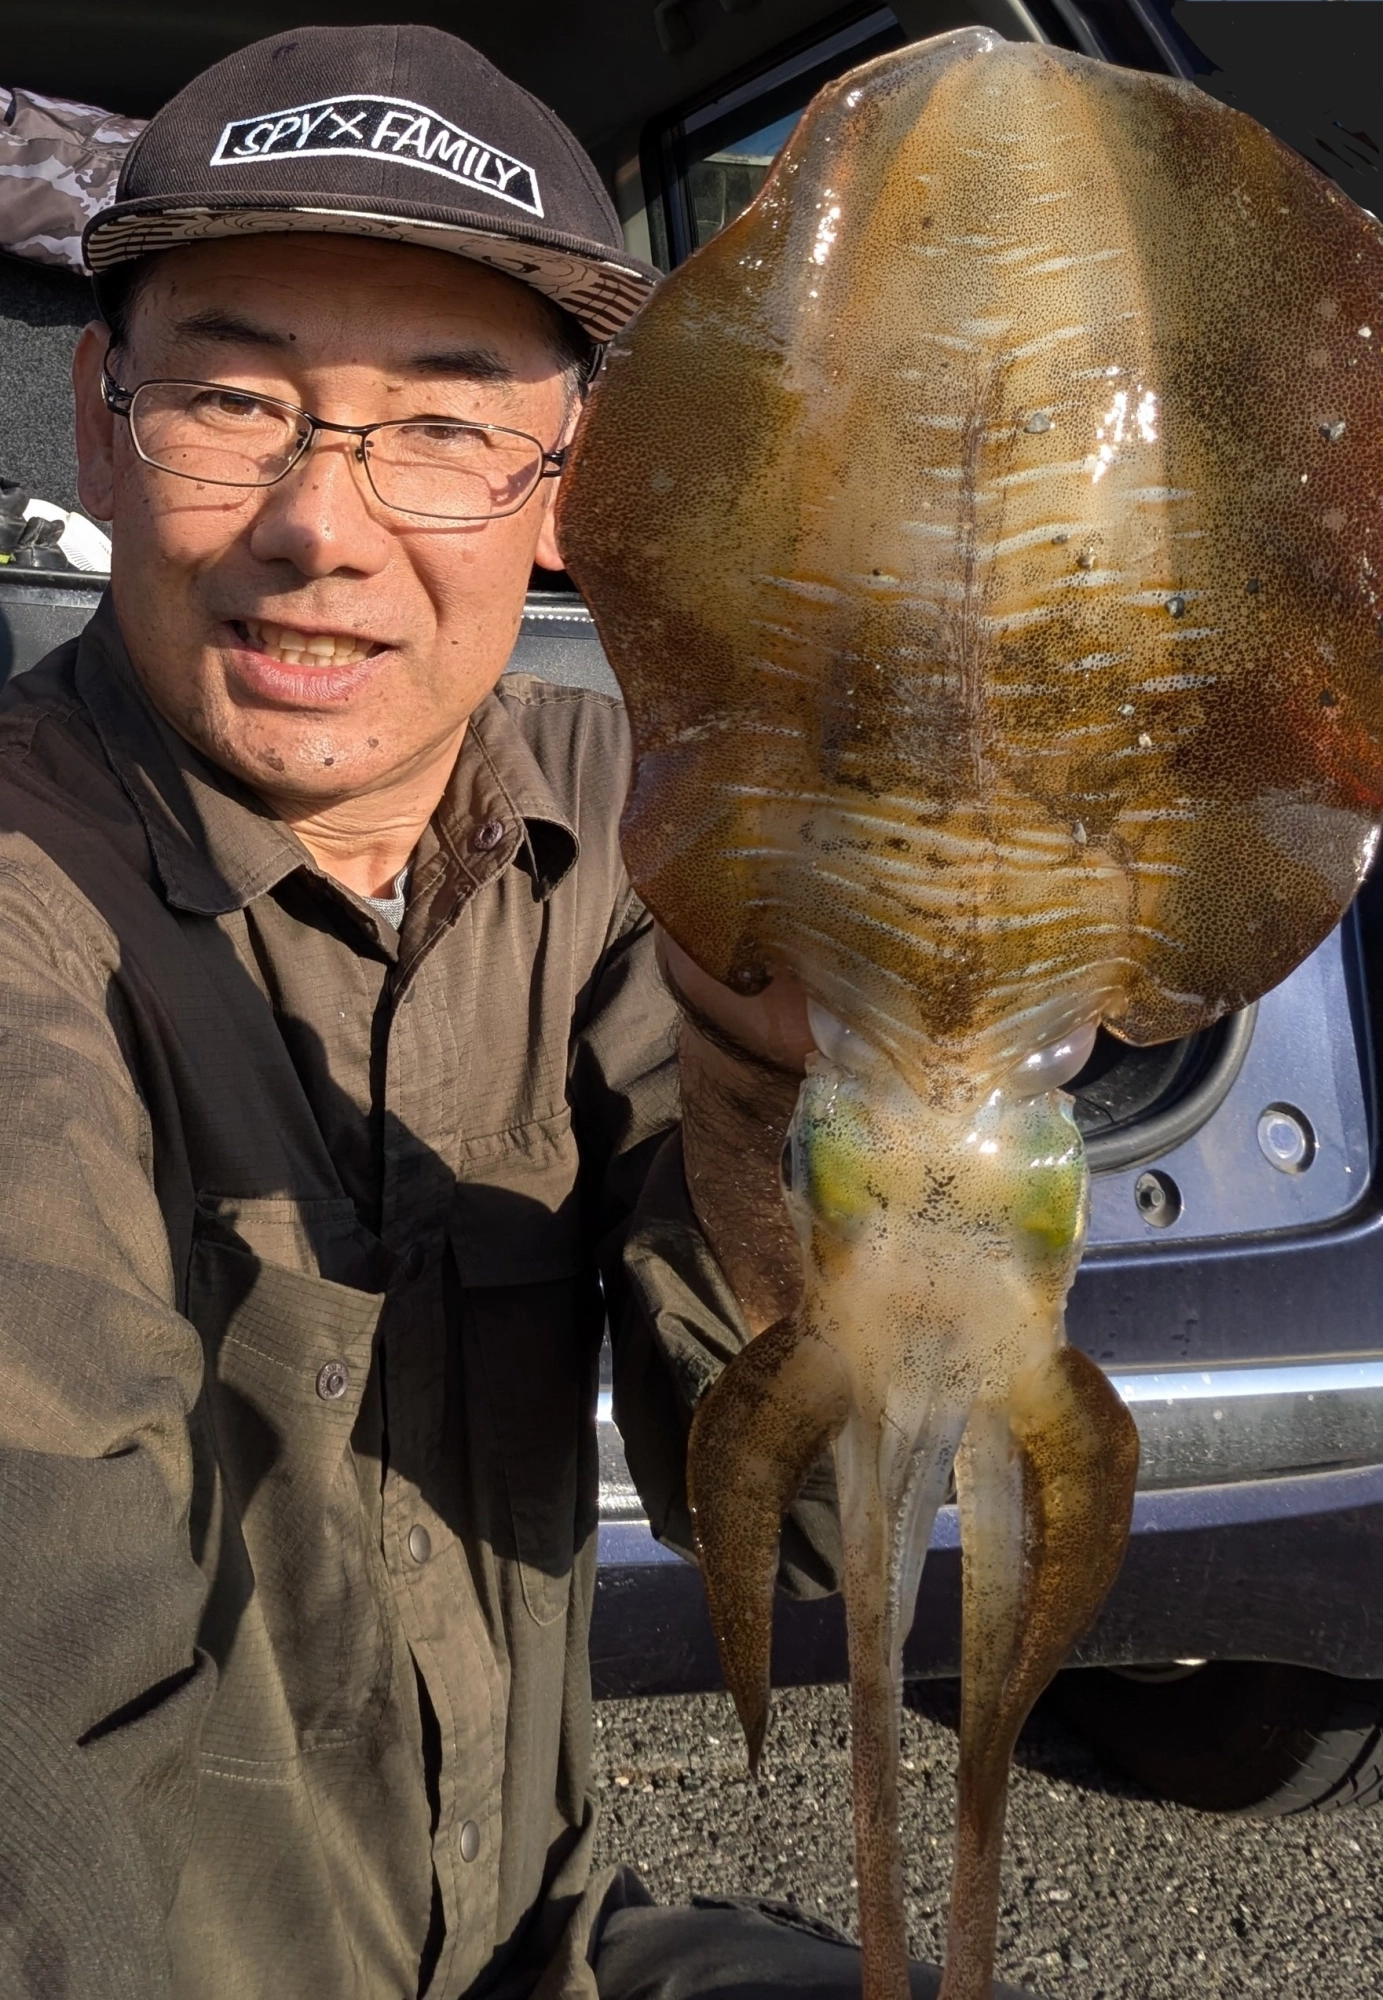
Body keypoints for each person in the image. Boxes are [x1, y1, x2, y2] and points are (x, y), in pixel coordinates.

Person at [0, 23, 1034, 2000]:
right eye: (232, 400)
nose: (321, 521)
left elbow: (834, 1516)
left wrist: (806, 1092)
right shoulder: (26, 915)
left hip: (546, 1932)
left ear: (568, 492)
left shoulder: (625, 821)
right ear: (102, 431)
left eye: (446, 429)